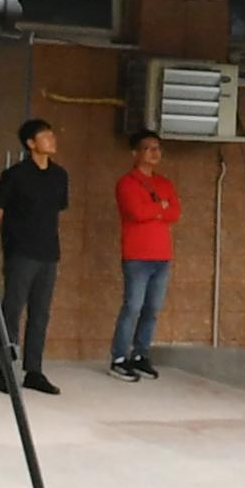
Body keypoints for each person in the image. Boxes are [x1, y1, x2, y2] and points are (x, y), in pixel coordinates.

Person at [0, 118, 70, 395]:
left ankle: (34, 370)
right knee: (12, 310)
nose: (52, 140)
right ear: (31, 143)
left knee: (40, 312)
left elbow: (57, 210)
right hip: (21, 252)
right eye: (46, 136)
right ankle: (5, 369)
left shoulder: (59, 175)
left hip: (49, 252)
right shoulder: (15, 175)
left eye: (52, 135)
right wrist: (12, 237)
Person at [106, 139, 182, 381]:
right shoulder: (127, 183)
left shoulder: (164, 183)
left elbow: (175, 212)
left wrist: (155, 209)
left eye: (157, 149)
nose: (154, 153)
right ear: (135, 153)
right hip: (137, 255)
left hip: (162, 255)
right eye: (148, 149)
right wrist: (160, 208)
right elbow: (137, 212)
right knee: (132, 307)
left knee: (152, 309)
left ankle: (140, 354)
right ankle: (119, 357)